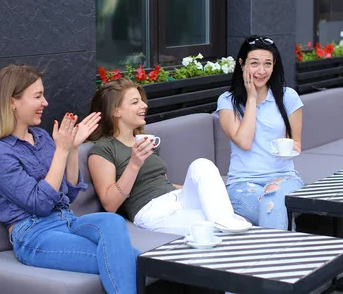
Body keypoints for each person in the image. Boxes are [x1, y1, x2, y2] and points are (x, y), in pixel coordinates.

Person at [0, 64, 138, 294]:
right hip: (34, 235)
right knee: (128, 260)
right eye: (38, 96)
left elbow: (69, 192)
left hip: (67, 221)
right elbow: (40, 205)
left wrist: (72, 149)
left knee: (113, 222)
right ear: (12, 102)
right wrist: (61, 151)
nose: (45, 103)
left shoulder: (41, 137)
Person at [87, 78, 251, 236]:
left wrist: (207, 191)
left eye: (142, 101)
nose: (144, 105)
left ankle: (226, 220)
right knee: (217, 225)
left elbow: (161, 182)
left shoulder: (146, 141)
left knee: (202, 165)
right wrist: (134, 164)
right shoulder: (104, 149)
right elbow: (110, 204)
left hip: (176, 198)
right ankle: (229, 225)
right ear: (116, 111)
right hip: (151, 211)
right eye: (135, 102)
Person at [216, 35, 304, 230]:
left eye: (267, 64)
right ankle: (285, 255)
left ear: (274, 66)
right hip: (242, 183)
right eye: (254, 63)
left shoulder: (288, 97)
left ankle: (273, 257)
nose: (261, 71)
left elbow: (296, 143)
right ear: (241, 64)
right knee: (274, 210)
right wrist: (251, 98)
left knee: (274, 204)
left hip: (284, 178)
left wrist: (289, 148)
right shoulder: (226, 101)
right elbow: (244, 142)